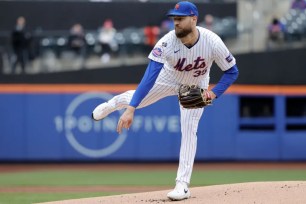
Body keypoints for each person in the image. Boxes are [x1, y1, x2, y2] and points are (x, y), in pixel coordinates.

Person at [92, 1, 239, 201]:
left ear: (194, 19)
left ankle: (182, 185)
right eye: (174, 19)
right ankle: (112, 105)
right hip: (168, 79)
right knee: (138, 100)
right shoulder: (166, 42)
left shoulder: (212, 41)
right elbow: (149, 77)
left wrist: (214, 93)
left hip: (196, 86)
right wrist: (131, 108)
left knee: (189, 129)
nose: (175, 23)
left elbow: (232, 71)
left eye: (180, 19)